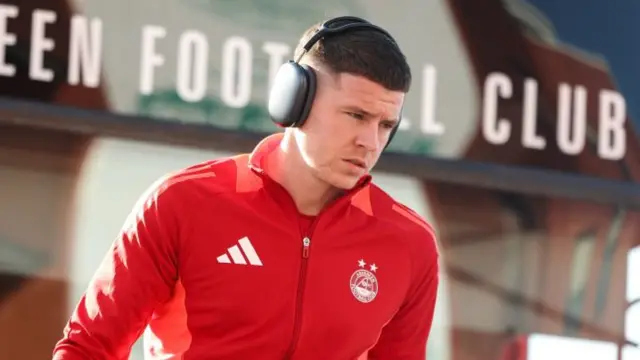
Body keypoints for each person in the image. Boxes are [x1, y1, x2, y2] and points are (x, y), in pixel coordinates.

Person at [52, 15, 440, 360]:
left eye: (386, 125)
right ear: (295, 102)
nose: (370, 142)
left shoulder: (410, 244)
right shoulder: (182, 203)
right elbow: (89, 348)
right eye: (356, 115)